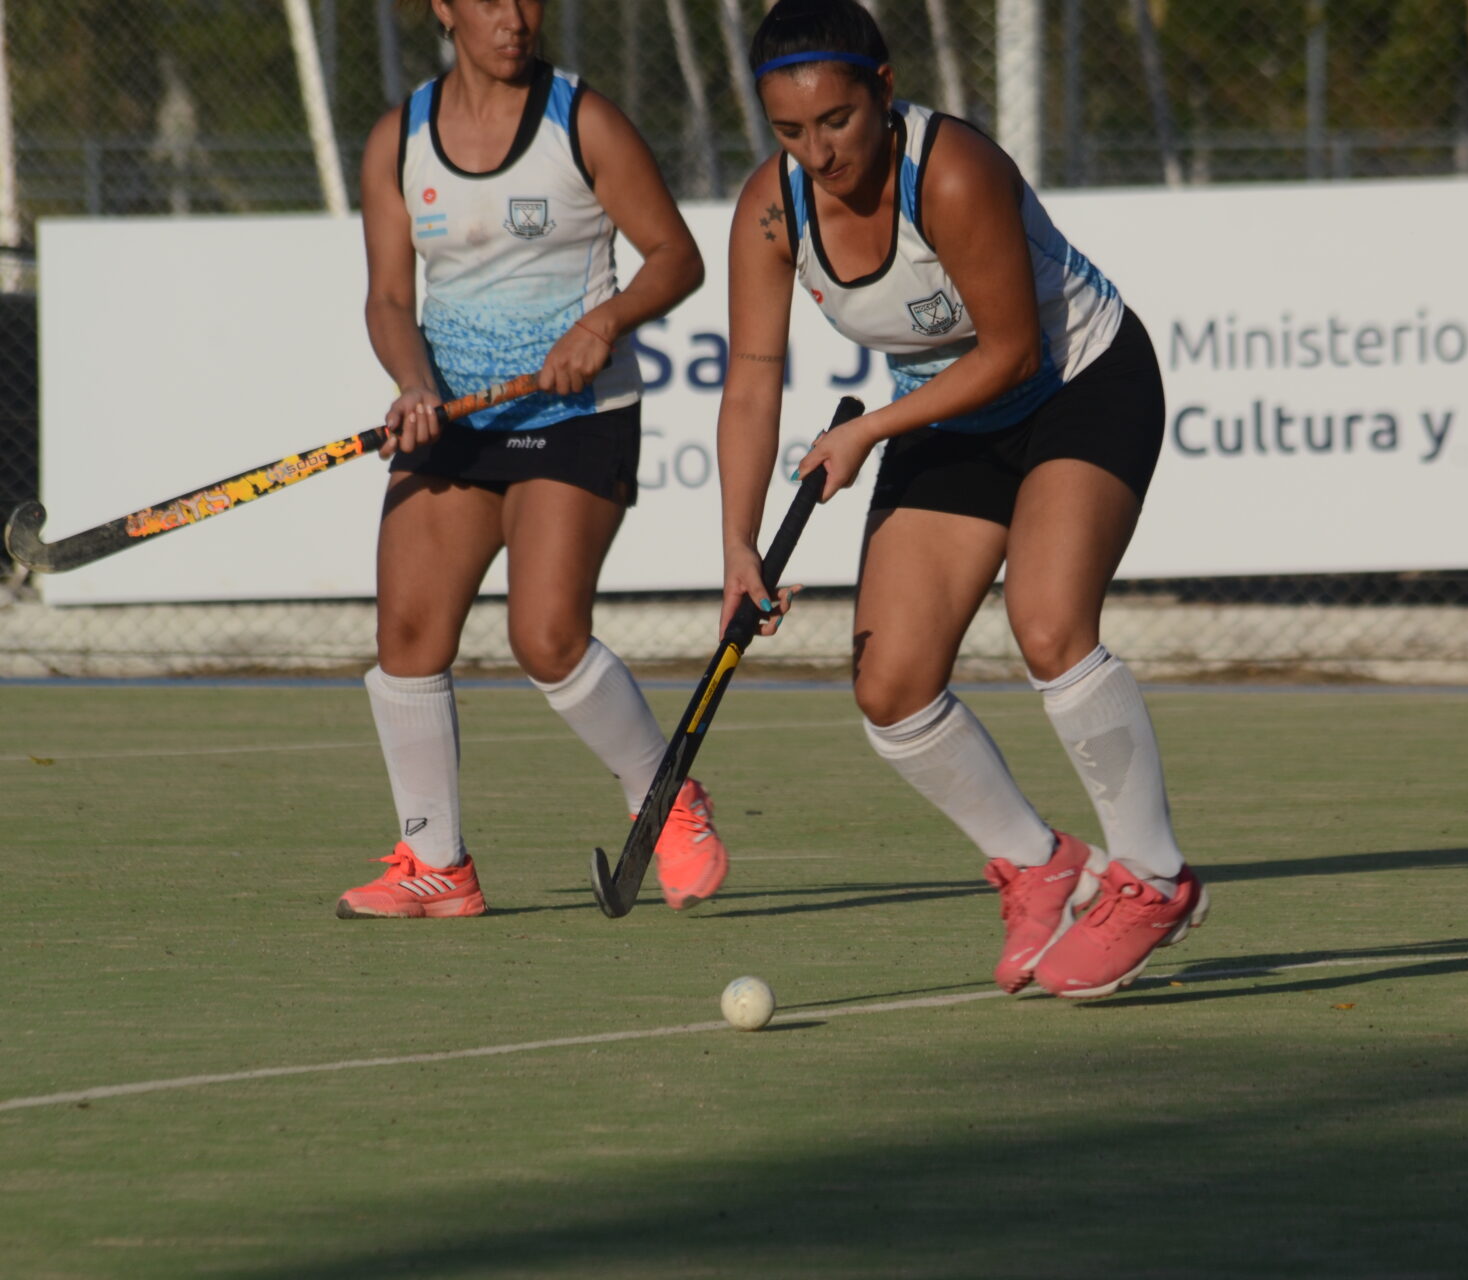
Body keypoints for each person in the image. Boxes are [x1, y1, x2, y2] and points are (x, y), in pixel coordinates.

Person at [715, 0, 1208, 999]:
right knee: (890, 684)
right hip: (949, 414)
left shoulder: (952, 171)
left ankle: (1155, 878)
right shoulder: (772, 210)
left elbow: (1014, 351)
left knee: (1048, 621)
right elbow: (753, 378)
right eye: (791, 131)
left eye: (838, 120)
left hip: (1079, 385)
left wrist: (865, 433)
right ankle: (1038, 863)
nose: (819, 152)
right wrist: (738, 546)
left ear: (884, 91)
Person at [337, 0, 723, 919]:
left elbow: (676, 257)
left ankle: (666, 797)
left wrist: (604, 323)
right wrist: (412, 383)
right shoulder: (399, 140)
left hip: (577, 413)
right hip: (456, 419)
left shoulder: (582, 121)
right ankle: (437, 864)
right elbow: (388, 298)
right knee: (407, 638)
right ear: (443, 7)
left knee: (545, 635)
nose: (513, 16)